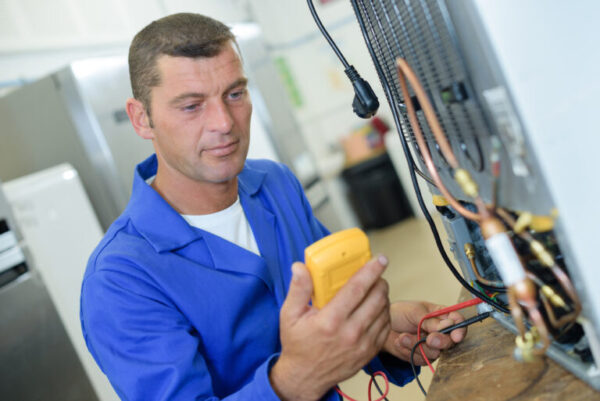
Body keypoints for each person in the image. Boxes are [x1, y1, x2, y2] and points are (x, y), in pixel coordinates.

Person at [80, 13, 466, 401]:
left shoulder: (274, 185)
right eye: (191, 106)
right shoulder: (120, 280)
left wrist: (383, 330)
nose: (224, 123)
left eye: (234, 94)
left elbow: (329, 303)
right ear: (142, 118)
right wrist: (294, 380)